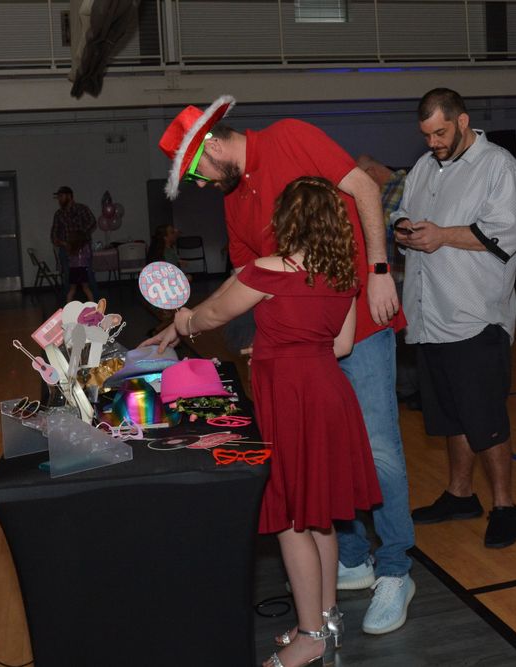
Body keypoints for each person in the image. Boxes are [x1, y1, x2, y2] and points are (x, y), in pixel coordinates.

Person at [150, 95, 416, 635]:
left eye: (197, 171)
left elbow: (364, 187)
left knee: (379, 449)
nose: (200, 184)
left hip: (355, 322)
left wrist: (381, 269)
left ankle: (395, 569)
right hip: (301, 347)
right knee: (321, 459)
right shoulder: (233, 201)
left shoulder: (290, 135)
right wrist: (202, 326)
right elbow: (245, 282)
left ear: (214, 144)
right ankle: (352, 559)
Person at [172, 177, 382, 667]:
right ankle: (327, 620)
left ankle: (310, 636)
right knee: (319, 513)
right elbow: (342, 345)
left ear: (287, 220)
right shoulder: (342, 276)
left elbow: (212, 317)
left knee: (291, 518)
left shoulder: (269, 270)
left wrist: (183, 320)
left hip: (289, 398)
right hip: (328, 392)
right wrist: (278, 347)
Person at [395, 88, 516, 549]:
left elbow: (504, 233)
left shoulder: (499, 167)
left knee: (485, 418)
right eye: (427, 134)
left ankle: (505, 505)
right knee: (451, 417)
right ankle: (460, 494)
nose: (433, 142)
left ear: (462, 120)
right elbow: (403, 212)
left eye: (440, 132)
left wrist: (442, 235)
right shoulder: (423, 168)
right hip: (430, 315)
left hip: (475, 318)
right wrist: (402, 229)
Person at [355, 154, 420, 409]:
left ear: (370, 172)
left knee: (406, 337)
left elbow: (383, 228)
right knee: (396, 337)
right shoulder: (384, 191)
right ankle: (405, 389)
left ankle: (414, 390)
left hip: (403, 275)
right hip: (389, 277)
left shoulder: (402, 184)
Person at [50, 186, 98, 296]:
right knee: (67, 276)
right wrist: (63, 243)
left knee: (88, 274)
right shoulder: (59, 214)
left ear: (69, 196)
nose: (59, 199)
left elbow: (92, 222)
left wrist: (78, 238)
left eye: (61, 196)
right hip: (66, 249)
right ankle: (67, 306)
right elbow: (54, 234)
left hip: (83, 249)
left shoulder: (82, 209)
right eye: (58, 197)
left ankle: (96, 303)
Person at [65, 228, 94, 302]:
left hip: (73, 269)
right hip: (82, 269)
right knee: (86, 288)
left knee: (72, 290)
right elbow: (88, 255)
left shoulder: (70, 247)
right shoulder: (85, 246)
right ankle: (93, 305)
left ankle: (68, 306)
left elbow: (68, 257)